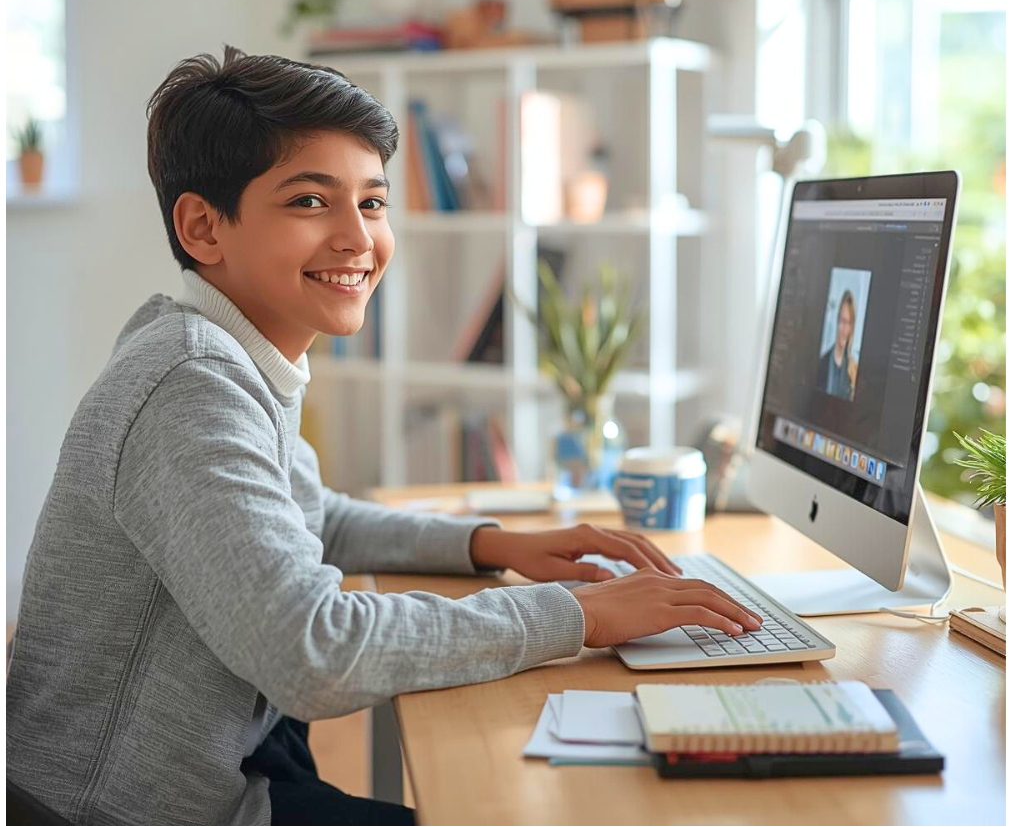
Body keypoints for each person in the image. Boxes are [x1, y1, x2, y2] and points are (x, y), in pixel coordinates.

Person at [6, 47, 761, 826]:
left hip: (226, 768)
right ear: (203, 226)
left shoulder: (226, 351)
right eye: (309, 201)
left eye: (372, 202)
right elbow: (315, 650)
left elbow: (312, 518)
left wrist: (492, 545)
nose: (356, 238)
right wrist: (582, 613)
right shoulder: (192, 387)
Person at [818, 289, 859, 400]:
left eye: (848, 323)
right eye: (842, 321)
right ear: (837, 321)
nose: (844, 329)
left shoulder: (854, 370)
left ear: (852, 327)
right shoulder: (822, 363)